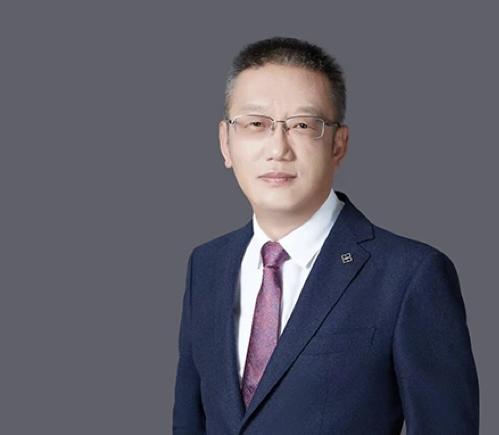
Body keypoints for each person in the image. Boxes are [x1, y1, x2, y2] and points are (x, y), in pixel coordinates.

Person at [172, 36, 479, 435]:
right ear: (225, 143)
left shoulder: (410, 275)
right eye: (256, 124)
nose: (278, 148)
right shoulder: (206, 265)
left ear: (338, 144)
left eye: (302, 125)